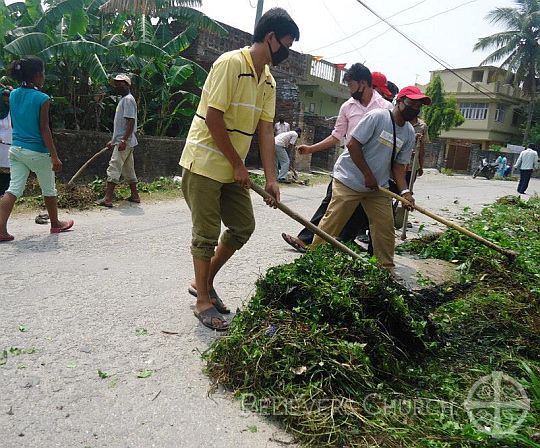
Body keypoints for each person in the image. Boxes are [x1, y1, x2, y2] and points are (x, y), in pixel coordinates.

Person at [179, 8, 300, 331]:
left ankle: (202, 282)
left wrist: (272, 179)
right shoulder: (231, 64)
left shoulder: (268, 82)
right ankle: (203, 301)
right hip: (205, 163)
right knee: (205, 234)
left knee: (242, 227)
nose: (286, 53)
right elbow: (214, 118)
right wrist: (237, 163)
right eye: (286, 45)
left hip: (233, 170)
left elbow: (265, 131)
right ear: (270, 37)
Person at [311, 86, 432, 270]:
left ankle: (386, 270)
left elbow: (399, 166)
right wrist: (367, 174)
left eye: (418, 106)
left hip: (377, 187)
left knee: (385, 228)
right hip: (349, 180)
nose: (415, 109)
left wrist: (405, 192)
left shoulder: (408, 132)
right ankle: (313, 260)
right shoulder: (377, 117)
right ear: (399, 102)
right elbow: (352, 144)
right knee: (333, 221)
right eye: (411, 104)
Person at [281, 63, 392, 253]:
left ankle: (351, 248)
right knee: (330, 205)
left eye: (350, 85)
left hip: (374, 173)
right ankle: (307, 240)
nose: (348, 90)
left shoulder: (385, 108)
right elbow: (336, 136)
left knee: (368, 216)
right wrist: (311, 149)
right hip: (348, 169)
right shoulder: (347, 107)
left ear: (363, 83)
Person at [0, 56, 74, 242]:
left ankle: (1, 230)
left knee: (13, 189)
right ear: (38, 75)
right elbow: (44, 129)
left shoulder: (14, 94)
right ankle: (56, 224)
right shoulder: (42, 98)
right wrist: (55, 157)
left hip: (16, 149)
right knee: (49, 188)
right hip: (36, 152)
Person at [96, 74, 140, 207]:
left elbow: (130, 121)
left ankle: (108, 198)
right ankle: (135, 196)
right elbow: (122, 124)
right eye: (116, 83)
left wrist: (123, 141)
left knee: (114, 166)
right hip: (125, 141)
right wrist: (114, 140)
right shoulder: (125, 100)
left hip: (125, 142)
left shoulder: (127, 100)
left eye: (120, 83)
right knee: (128, 169)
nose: (117, 86)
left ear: (127, 85)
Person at [0, 87, 12, 196]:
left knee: (7, 179)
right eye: (4, 101)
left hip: (10, 148)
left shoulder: (14, 112)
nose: (7, 103)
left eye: (8, 101)